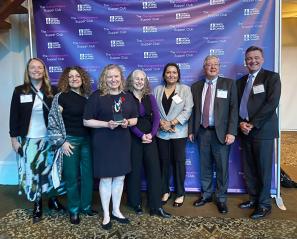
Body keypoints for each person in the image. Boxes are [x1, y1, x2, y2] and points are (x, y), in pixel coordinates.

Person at [9, 58, 65, 223]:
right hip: (30, 139)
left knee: (51, 170)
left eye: (39, 67)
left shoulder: (52, 90)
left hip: (50, 138)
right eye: (32, 67)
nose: (36, 70)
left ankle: (53, 200)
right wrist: (14, 139)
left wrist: (61, 110)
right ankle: (38, 204)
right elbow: (14, 116)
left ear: (44, 71)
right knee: (35, 172)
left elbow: (59, 113)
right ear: (28, 71)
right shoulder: (20, 91)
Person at [83, 64, 138, 230]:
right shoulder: (97, 96)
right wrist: (107, 124)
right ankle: (106, 214)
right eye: (109, 77)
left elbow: (135, 119)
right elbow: (86, 121)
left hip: (122, 141)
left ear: (121, 78)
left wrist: (127, 122)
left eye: (116, 76)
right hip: (103, 142)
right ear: (104, 79)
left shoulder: (127, 96)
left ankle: (116, 210)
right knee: (106, 178)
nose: (113, 80)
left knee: (120, 178)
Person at [188, 55, 238, 214]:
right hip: (202, 132)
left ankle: (221, 199)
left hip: (222, 134)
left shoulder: (228, 84)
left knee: (222, 168)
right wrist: (190, 130)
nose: (212, 67)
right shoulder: (195, 86)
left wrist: (231, 131)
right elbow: (192, 110)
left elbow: (233, 110)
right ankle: (206, 195)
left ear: (219, 67)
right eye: (209, 65)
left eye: (215, 64)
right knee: (205, 166)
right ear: (204, 68)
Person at [48, 66, 96, 225]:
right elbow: (53, 121)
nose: (74, 79)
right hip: (70, 142)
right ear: (66, 80)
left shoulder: (88, 97)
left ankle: (86, 207)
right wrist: (62, 142)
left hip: (86, 141)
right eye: (70, 77)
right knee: (72, 178)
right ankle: (74, 210)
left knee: (88, 177)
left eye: (77, 76)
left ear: (82, 78)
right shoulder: (61, 97)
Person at [237, 46, 281, 219]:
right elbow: (237, 106)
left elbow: (272, 103)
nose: (252, 61)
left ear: (262, 59)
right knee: (249, 169)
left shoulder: (271, 77)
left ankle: (264, 204)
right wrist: (241, 123)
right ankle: (254, 198)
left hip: (263, 131)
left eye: (256, 58)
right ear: (245, 61)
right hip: (244, 131)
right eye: (249, 58)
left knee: (263, 169)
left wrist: (253, 124)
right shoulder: (241, 82)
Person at [125, 69, 171, 218]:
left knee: (154, 171)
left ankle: (155, 206)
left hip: (150, 137)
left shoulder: (150, 97)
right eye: (136, 79)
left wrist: (151, 134)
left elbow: (157, 117)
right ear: (131, 81)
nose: (139, 81)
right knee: (135, 172)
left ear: (145, 81)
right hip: (133, 138)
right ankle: (135, 203)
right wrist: (140, 135)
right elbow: (126, 121)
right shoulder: (125, 97)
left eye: (142, 79)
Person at [154, 63, 193, 207]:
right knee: (163, 163)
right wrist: (162, 123)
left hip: (178, 133)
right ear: (164, 75)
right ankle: (165, 191)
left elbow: (188, 110)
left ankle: (180, 193)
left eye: (174, 72)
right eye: (168, 72)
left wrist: (172, 123)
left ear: (178, 74)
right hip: (162, 133)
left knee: (178, 163)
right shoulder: (157, 89)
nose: (171, 75)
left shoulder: (185, 90)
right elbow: (154, 110)